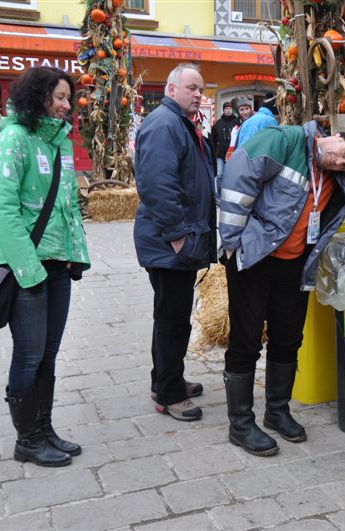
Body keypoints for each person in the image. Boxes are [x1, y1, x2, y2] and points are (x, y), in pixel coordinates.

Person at [219, 121, 345, 457]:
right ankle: (240, 423)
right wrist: (232, 242)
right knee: (245, 341)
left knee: (289, 338)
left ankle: (277, 411)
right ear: (334, 136)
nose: (338, 161)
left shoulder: (340, 179)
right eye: (341, 153)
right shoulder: (284, 140)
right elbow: (236, 177)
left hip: (295, 266)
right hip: (254, 259)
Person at [0, 66, 90, 467]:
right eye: (60, 97)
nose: (67, 105)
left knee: (48, 354)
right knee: (29, 355)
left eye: (68, 98)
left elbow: (66, 208)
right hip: (27, 266)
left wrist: (74, 254)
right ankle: (26, 440)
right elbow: (4, 211)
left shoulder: (57, 141)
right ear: (38, 96)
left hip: (58, 265)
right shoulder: (13, 140)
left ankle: (44, 429)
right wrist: (29, 270)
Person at [133, 63, 217, 422]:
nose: (197, 94)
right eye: (190, 87)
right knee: (172, 320)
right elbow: (156, 185)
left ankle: (166, 380)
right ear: (171, 90)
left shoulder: (179, 123)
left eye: (200, 89)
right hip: (169, 244)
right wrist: (178, 237)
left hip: (174, 241)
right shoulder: (166, 124)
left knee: (171, 317)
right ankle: (168, 394)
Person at [210, 100, 239, 198]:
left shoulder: (237, 122)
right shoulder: (218, 123)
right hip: (220, 154)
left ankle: (229, 195)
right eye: (226, 109)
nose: (228, 110)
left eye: (230, 108)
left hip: (233, 154)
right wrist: (214, 151)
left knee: (230, 175)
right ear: (223, 110)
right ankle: (218, 195)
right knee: (220, 175)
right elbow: (213, 139)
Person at [224, 97, 253, 162]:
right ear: (238, 112)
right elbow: (232, 147)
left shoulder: (256, 122)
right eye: (242, 109)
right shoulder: (235, 129)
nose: (245, 112)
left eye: (247, 109)